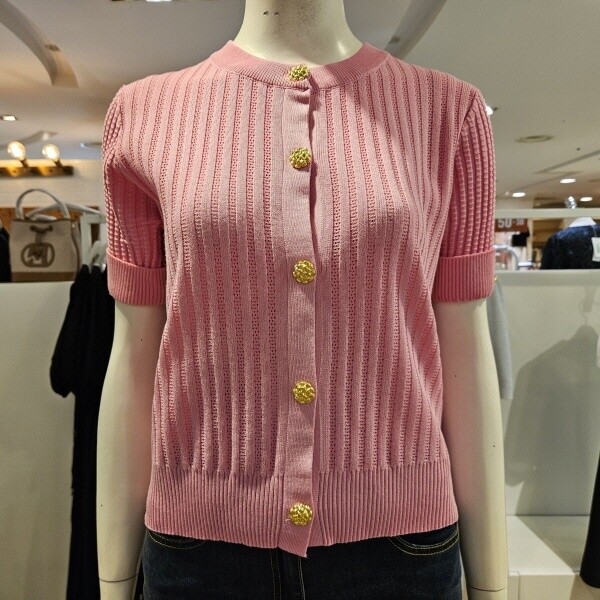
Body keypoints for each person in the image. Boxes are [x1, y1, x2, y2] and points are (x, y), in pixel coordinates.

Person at [97, 1, 508, 598]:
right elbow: (135, 357)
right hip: (198, 552)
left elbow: (465, 351)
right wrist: (113, 580)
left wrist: (491, 585)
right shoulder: (143, 113)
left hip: (400, 552)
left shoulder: (449, 111)